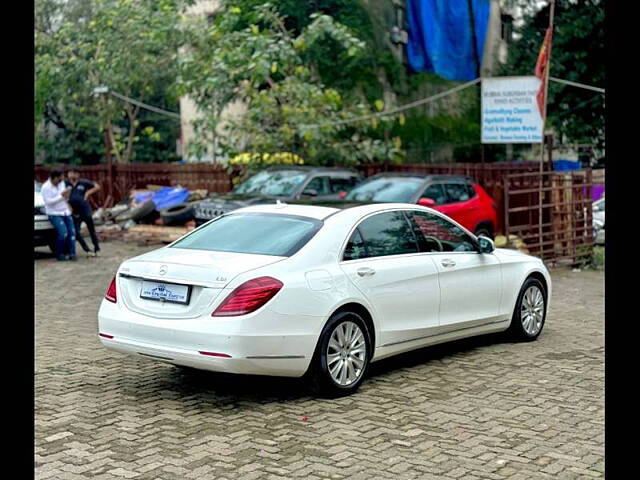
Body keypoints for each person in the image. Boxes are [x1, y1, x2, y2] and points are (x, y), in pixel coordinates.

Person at [41, 170, 76, 261]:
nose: (61, 180)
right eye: (59, 178)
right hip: (54, 213)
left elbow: (65, 197)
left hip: (65, 211)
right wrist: (61, 196)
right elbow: (49, 202)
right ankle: (60, 253)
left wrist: (68, 204)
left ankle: (72, 253)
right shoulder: (45, 187)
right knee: (63, 233)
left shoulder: (61, 184)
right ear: (54, 178)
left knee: (72, 232)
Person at [66, 168, 102, 257]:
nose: (71, 175)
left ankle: (96, 248)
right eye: (70, 173)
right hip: (74, 212)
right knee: (76, 232)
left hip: (85, 209)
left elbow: (97, 186)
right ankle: (86, 249)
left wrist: (88, 193)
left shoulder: (83, 182)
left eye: (74, 173)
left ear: (78, 174)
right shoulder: (66, 184)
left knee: (91, 230)